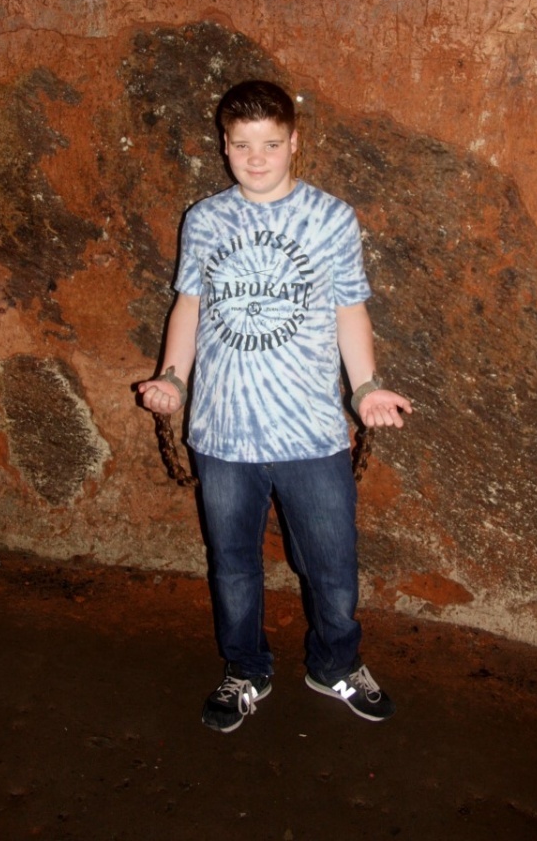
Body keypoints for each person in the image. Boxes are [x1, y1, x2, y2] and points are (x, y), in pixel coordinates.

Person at [139, 79, 412, 734]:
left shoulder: (331, 217)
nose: (255, 158)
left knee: (332, 566)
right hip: (222, 430)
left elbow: (350, 309)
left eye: (269, 143)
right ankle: (245, 669)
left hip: (310, 431)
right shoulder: (205, 219)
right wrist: (173, 377)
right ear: (224, 146)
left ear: (294, 142)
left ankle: (335, 664)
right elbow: (189, 306)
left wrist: (366, 387)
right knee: (233, 566)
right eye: (242, 145)